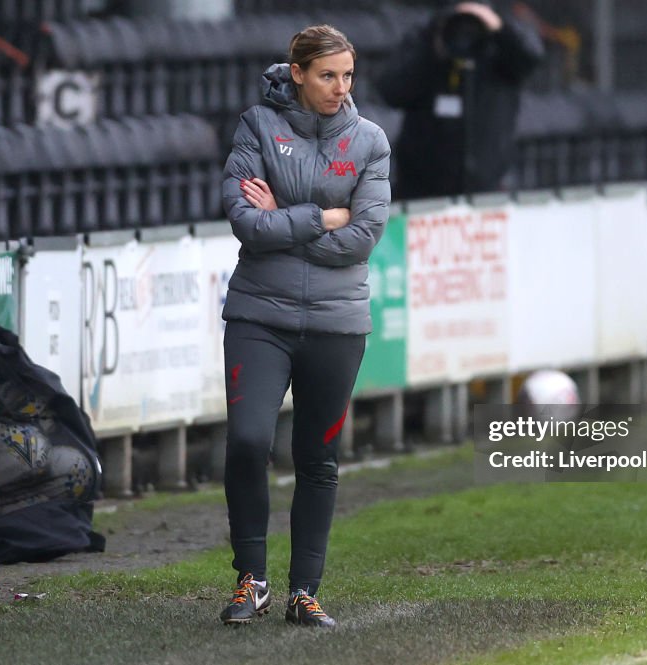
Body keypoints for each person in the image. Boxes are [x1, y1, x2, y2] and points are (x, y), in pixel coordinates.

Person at [218, 24, 391, 628]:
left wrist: (286, 224)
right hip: (257, 317)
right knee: (246, 443)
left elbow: (364, 236)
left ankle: (304, 593)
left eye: (348, 76)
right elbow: (245, 221)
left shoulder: (370, 141)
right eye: (327, 76)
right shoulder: (256, 126)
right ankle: (251, 581)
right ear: (297, 73)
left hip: (337, 325)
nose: (341, 89)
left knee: (318, 458)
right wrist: (322, 216)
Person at [375, 1, 544, 199]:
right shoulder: (428, 33)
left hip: (488, 186)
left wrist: (498, 29)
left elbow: (531, 59)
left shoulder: (502, 34)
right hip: (423, 188)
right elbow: (391, 91)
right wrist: (434, 48)